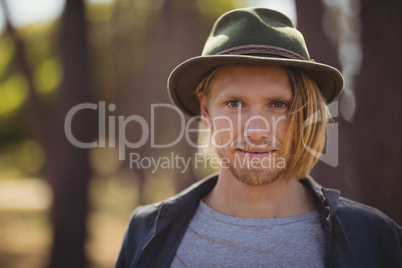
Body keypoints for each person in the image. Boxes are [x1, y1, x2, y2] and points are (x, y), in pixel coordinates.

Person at [116, 7, 402, 268]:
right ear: (206, 110)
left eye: (279, 104)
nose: (256, 131)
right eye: (235, 104)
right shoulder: (146, 233)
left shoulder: (376, 239)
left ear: (306, 113)